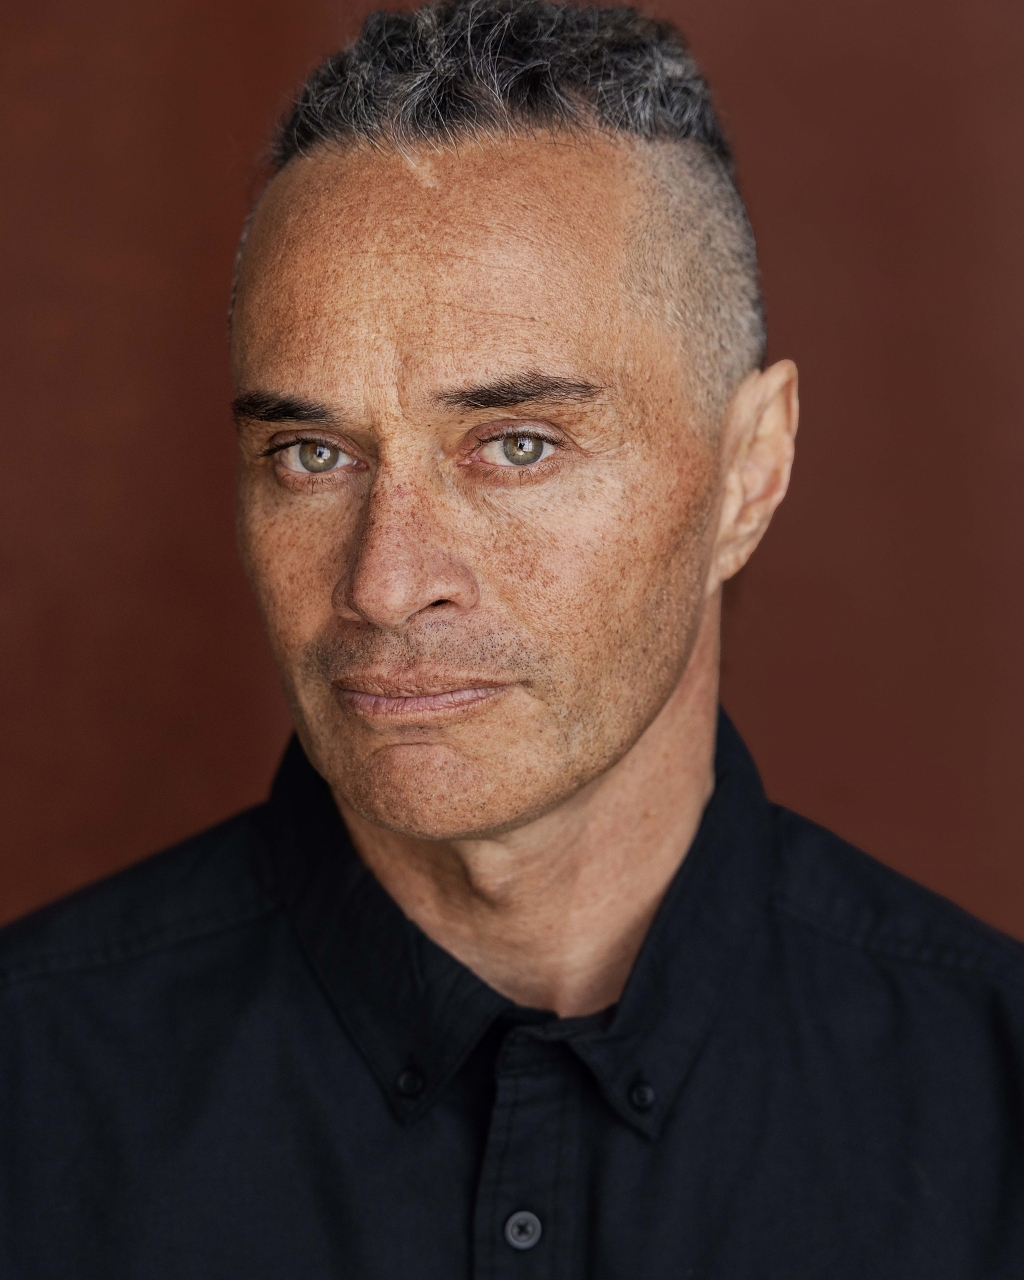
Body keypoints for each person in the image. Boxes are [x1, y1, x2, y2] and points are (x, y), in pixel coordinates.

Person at [2, 1, 1021, 1274]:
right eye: (312, 454)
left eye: (518, 445)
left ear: (750, 472)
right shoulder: (29, 1097)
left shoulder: (993, 1118)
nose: (385, 584)